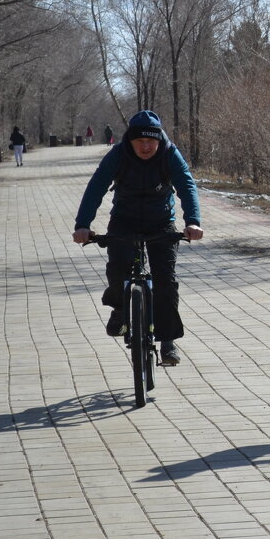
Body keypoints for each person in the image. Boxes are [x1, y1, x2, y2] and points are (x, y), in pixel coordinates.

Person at [71, 110, 203, 365]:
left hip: (161, 222)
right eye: (140, 141)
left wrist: (193, 222)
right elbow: (96, 186)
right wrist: (82, 225)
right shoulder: (119, 155)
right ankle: (120, 310)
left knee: (165, 280)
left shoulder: (169, 153)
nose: (146, 146)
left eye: (151, 141)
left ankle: (167, 341)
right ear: (130, 140)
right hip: (125, 221)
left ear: (159, 139)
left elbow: (186, 186)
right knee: (118, 268)